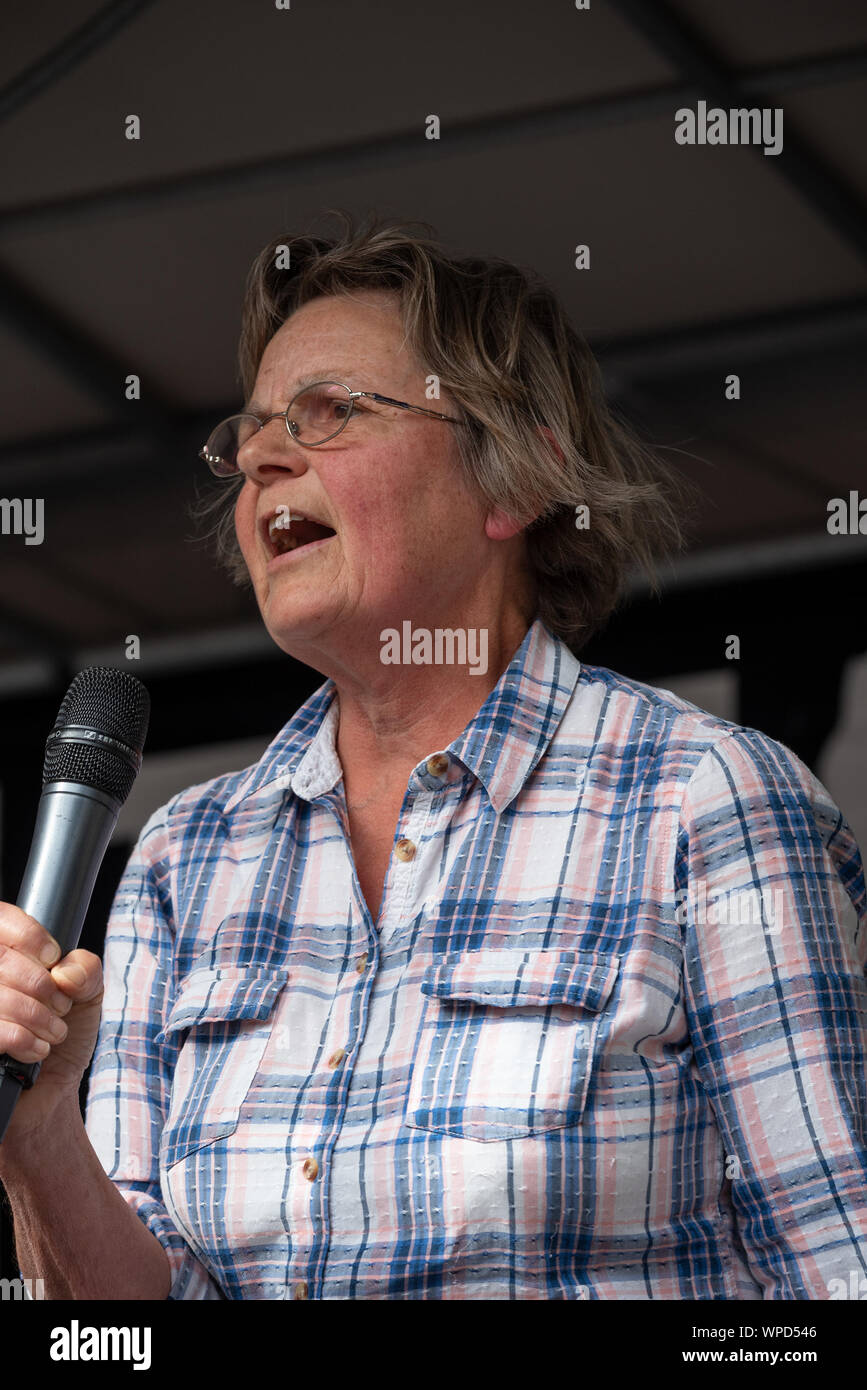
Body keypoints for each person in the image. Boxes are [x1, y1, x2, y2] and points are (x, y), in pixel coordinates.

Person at [1, 216, 865, 1300]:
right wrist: (38, 1133)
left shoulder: (702, 800)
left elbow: (838, 1264)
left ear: (519, 475)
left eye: (332, 413)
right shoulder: (185, 856)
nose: (261, 457)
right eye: (253, 432)